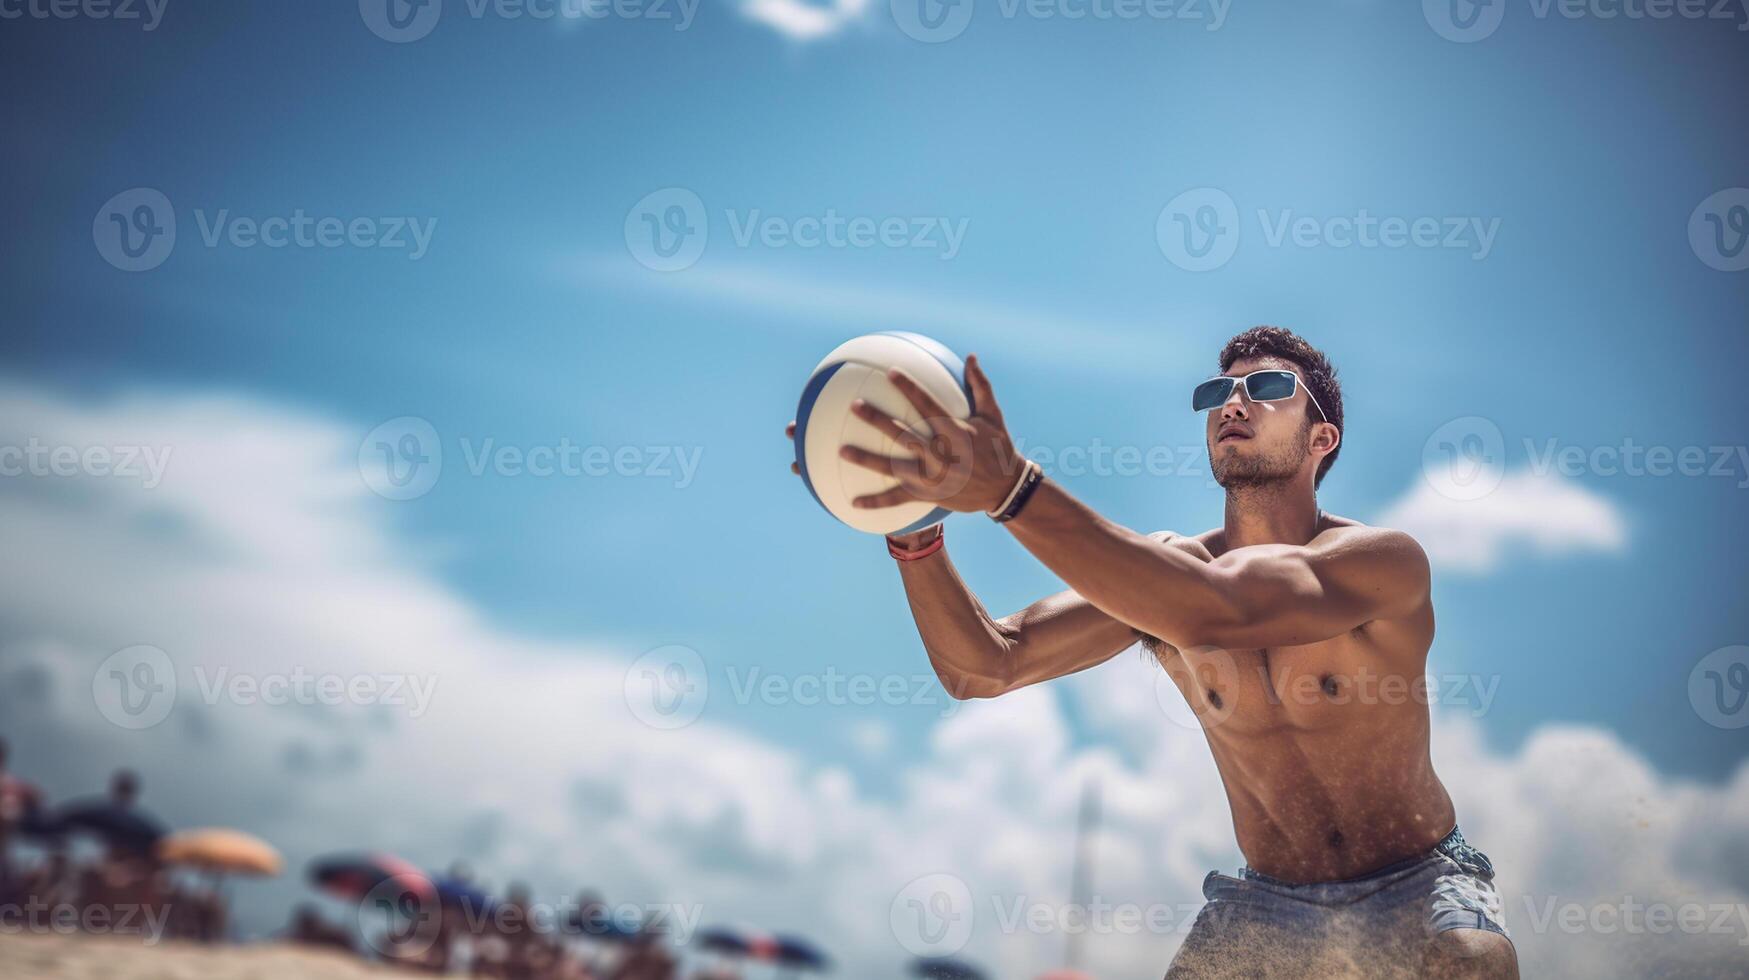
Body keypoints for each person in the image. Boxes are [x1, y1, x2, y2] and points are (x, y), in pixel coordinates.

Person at [789, 326, 1516, 978]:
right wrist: (914, 535)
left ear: (1321, 439)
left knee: (1469, 961)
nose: (1233, 403)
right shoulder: (1161, 577)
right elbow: (984, 665)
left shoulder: (1379, 562)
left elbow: (1215, 609)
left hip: (1416, 879)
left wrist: (1010, 489)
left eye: (1265, 388)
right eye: (1217, 392)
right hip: (1268, 900)